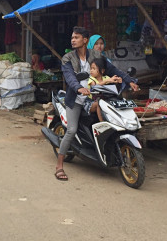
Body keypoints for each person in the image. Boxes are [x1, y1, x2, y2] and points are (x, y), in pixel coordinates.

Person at [55, 27, 139, 181]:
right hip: (76, 100)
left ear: (85, 40)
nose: (73, 40)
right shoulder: (67, 58)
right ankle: (59, 165)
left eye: (77, 37)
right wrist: (79, 88)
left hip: (94, 98)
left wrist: (130, 81)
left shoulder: (96, 55)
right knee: (71, 130)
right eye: (72, 37)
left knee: (106, 111)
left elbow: (113, 69)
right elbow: (69, 77)